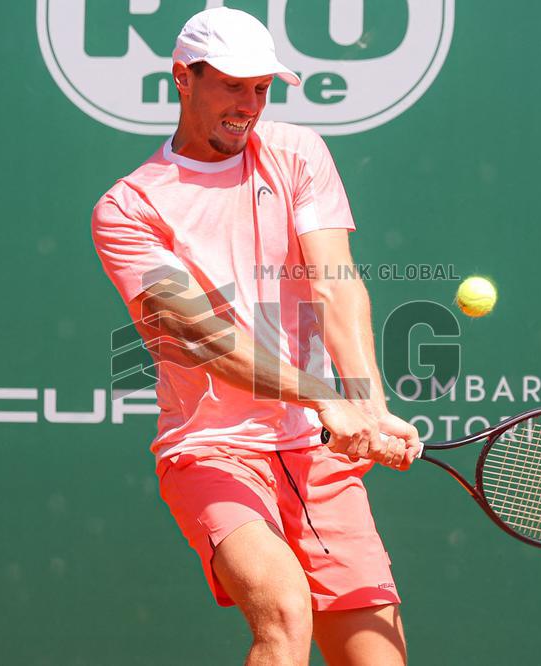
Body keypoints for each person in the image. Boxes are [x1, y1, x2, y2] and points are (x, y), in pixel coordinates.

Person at [91, 8, 420, 665]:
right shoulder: (129, 208)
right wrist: (326, 397)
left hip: (315, 456)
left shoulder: (298, 153)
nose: (250, 105)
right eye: (233, 86)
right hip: (211, 450)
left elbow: (336, 283)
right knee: (284, 611)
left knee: (377, 657)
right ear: (183, 78)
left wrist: (370, 405)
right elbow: (204, 338)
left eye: (263, 88)